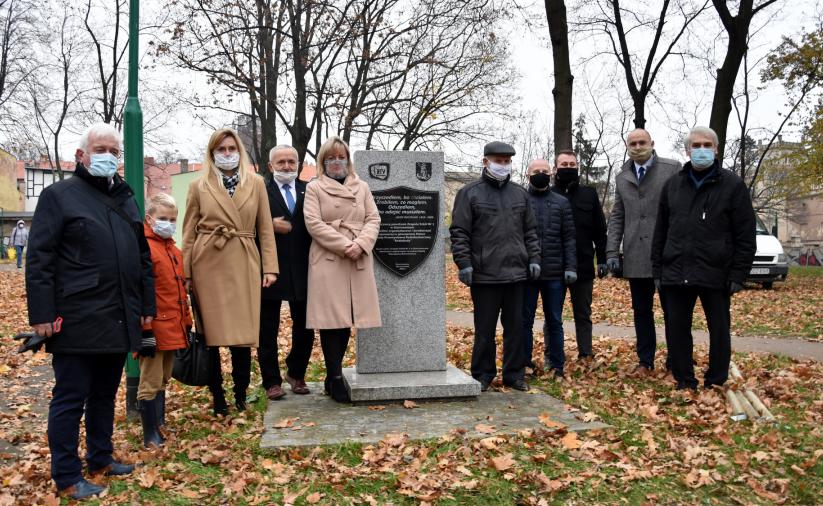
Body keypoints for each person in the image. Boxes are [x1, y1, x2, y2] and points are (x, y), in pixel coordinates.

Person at [25, 123, 155, 499]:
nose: (109, 156)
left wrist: (145, 308)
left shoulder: (127, 199)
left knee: (104, 393)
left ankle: (100, 457)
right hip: (77, 315)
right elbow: (40, 259)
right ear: (81, 155)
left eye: (115, 151)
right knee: (70, 397)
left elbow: (142, 259)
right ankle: (67, 475)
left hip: (118, 315)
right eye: (101, 149)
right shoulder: (59, 196)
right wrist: (42, 313)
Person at [182, 128, 278, 416]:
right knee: (210, 336)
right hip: (207, 261)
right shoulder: (198, 186)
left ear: (240, 151)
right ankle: (218, 397)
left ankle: (239, 393)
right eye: (221, 149)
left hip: (244, 257)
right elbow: (188, 232)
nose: (227, 154)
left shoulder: (257, 183)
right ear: (212, 153)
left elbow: (265, 228)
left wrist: (270, 267)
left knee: (242, 334)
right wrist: (185, 271)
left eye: (231, 148)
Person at [652, 126, 756, 390]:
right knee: (677, 330)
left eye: (706, 145)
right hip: (676, 270)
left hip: (716, 272)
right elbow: (661, 231)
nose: (701, 150)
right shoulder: (672, 185)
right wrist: (658, 269)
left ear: (716, 149)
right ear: (687, 150)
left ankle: (716, 380)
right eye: (696, 146)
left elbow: (745, 234)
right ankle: (684, 380)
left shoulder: (732, 185)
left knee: (719, 330)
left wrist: (738, 273)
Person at [450, 141, 540, 392]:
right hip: (484, 274)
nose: (503, 165)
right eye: (498, 161)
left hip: (516, 273)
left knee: (516, 328)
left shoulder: (520, 194)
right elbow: (460, 232)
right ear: (485, 162)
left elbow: (530, 231)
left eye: (507, 161)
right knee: (484, 330)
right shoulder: (470, 193)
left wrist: (534, 258)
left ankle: (514, 374)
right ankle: (482, 374)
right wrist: (464, 263)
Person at [303, 135, 381, 403]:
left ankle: (332, 375)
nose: (337, 162)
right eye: (331, 157)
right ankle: (335, 377)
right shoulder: (315, 188)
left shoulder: (362, 187)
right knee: (330, 320)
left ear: (348, 159)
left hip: (357, 256)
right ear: (323, 162)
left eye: (341, 157)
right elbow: (313, 223)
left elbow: (374, 218)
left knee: (349, 318)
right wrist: (345, 245)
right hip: (329, 259)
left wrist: (360, 244)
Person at [606, 129, 681, 375]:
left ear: (652, 143)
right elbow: (618, 215)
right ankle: (645, 361)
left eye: (642, 142)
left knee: (673, 311)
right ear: (627, 146)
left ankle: (675, 362)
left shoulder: (672, 169)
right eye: (633, 143)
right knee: (641, 311)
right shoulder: (622, 176)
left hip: (668, 253)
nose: (638, 147)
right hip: (636, 253)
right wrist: (611, 251)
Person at [258, 145, 314, 400]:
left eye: (292, 161)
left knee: (305, 325)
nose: (287, 166)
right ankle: (271, 381)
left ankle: (296, 372)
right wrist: (268, 226)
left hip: (304, 267)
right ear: (271, 166)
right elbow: (245, 220)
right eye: (281, 162)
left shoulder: (309, 189)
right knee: (266, 328)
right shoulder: (260, 190)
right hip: (269, 267)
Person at [137, 193, 192, 447]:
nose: (168, 223)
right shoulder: (144, 248)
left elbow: (180, 292)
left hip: (173, 326)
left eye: (172, 219)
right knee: (149, 381)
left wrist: (187, 322)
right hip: (154, 327)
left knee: (163, 378)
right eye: (162, 218)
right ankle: (150, 433)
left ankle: (159, 424)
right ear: (149, 218)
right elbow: (140, 292)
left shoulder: (174, 251)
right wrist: (144, 329)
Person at [522, 159, 577, 378]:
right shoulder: (521, 200)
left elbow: (569, 237)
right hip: (527, 273)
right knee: (524, 320)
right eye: (537, 171)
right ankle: (524, 362)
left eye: (545, 171)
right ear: (528, 174)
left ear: (552, 173)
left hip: (555, 274)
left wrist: (570, 266)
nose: (541, 174)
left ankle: (557, 365)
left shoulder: (562, 203)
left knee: (554, 319)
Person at [551, 150, 607, 361]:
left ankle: (586, 353)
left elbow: (600, 230)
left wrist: (601, 259)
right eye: (563, 164)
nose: (568, 168)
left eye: (572, 164)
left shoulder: (589, 194)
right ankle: (553, 354)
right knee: (553, 314)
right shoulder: (549, 194)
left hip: (583, 265)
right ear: (556, 168)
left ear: (577, 167)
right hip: (555, 266)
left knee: (583, 313)